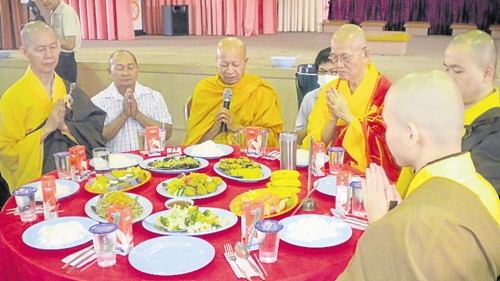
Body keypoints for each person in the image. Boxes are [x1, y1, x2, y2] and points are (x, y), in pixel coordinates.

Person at [337, 70, 500, 280]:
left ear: (411, 135)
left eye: (387, 125)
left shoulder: (410, 223)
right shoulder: (485, 192)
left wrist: (381, 228)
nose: (385, 134)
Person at [0, 21, 105, 192]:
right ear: (25, 52)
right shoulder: (12, 98)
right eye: (40, 49)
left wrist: (65, 126)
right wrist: (47, 129)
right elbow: (6, 153)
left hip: (76, 177)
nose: (49, 55)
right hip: (38, 187)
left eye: (53, 47)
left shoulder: (69, 89)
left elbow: (94, 132)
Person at [397, 30, 500, 197]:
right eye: (447, 70)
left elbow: (474, 197)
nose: (448, 79)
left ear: (487, 73)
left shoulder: (494, 129)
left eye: (457, 71)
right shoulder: (442, 108)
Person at [303, 24, 399, 182]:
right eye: (334, 57)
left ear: (365, 54)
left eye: (345, 57)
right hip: (330, 176)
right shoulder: (331, 90)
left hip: (369, 180)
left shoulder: (386, 93)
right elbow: (313, 143)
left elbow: (389, 150)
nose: (338, 64)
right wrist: (333, 120)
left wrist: (348, 117)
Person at [182, 37, 284, 147]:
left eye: (236, 65)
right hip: (208, 156)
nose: (229, 71)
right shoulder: (204, 89)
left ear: (245, 62)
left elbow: (270, 138)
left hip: (246, 159)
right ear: (217, 61)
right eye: (224, 65)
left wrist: (236, 127)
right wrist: (215, 128)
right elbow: (192, 143)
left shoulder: (260, 92)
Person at [92, 50, 173, 154]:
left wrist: (137, 114)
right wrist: (123, 115)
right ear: (109, 72)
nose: (126, 73)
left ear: (137, 70)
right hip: (115, 165)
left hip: (149, 162)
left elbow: (167, 134)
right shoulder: (98, 102)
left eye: (130, 68)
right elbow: (96, 139)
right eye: (120, 68)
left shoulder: (154, 97)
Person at [295, 47, 337, 145]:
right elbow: (298, 138)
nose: (327, 76)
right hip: (315, 153)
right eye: (322, 72)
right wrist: (316, 125)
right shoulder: (310, 98)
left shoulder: (350, 96)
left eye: (333, 72)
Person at [41, 0, 81, 83]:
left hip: (65, 61)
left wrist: (49, 40)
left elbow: (70, 44)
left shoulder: (66, 12)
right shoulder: (54, 12)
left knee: (64, 93)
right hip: (58, 58)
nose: (45, 2)